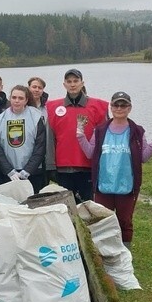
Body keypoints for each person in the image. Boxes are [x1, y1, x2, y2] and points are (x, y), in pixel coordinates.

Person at [77, 91, 152, 248]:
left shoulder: (137, 131)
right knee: (103, 220)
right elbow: (91, 153)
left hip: (127, 186)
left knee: (125, 221)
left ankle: (125, 253)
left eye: (123, 105)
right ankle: (104, 250)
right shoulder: (100, 130)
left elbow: (143, 157)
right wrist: (80, 135)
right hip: (103, 185)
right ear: (111, 107)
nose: (119, 108)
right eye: (116, 105)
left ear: (129, 108)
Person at [46, 68, 109, 202]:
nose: (72, 84)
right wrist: (51, 165)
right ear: (64, 84)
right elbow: (50, 139)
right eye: (69, 81)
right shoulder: (53, 107)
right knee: (67, 206)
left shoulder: (98, 106)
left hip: (88, 166)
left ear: (82, 83)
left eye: (76, 81)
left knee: (88, 205)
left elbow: (104, 138)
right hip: (63, 168)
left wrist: (103, 163)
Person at [0, 85, 46, 193]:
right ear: (10, 98)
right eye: (14, 97)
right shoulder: (1, 118)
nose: (17, 101)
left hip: (32, 173)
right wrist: (9, 171)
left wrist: (28, 170)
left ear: (26, 100)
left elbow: (40, 146)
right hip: (9, 174)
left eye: (20, 98)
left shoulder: (36, 117)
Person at [27, 76, 53, 189]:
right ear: (28, 88)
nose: (36, 90)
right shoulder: (23, 106)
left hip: (44, 153)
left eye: (40, 87)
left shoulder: (48, 108)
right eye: (34, 87)